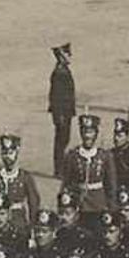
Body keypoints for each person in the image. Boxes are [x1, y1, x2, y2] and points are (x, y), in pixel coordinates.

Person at [0, 133, 44, 232]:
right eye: (4, 153)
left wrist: (33, 229)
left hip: (18, 222)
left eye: (10, 153)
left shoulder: (25, 177)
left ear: (17, 153)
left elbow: (34, 204)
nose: (7, 157)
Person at [48, 43, 78, 178]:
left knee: (64, 139)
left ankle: (60, 168)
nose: (70, 56)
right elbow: (55, 96)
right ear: (61, 56)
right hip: (62, 113)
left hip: (65, 112)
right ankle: (59, 169)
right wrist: (58, 115)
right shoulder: (59, 73)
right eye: (67, 54)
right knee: (61, 140)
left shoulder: (63, 70)